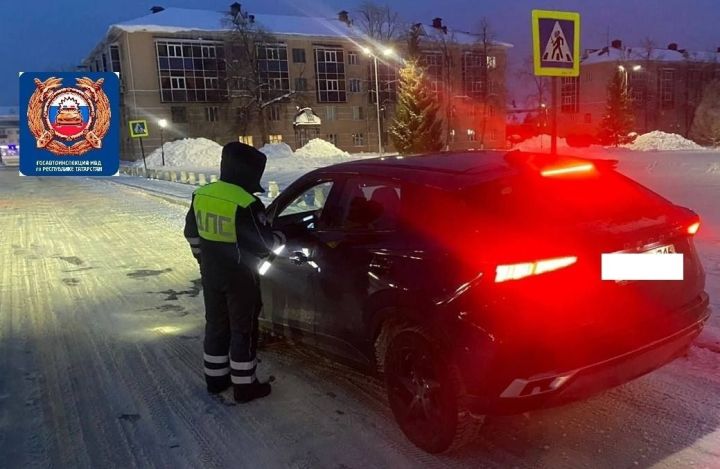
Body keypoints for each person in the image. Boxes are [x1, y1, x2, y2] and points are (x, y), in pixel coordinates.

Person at [183, 141, 282, 403]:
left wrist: (203, 260)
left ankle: (215, 381)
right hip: (240, 278)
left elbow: (191, 234)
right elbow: (263, 243)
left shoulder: (202, 194)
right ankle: (244, 386)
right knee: (243, 330)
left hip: (211, 274)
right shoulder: (246, 203)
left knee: (216, 326)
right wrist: (278, 238)